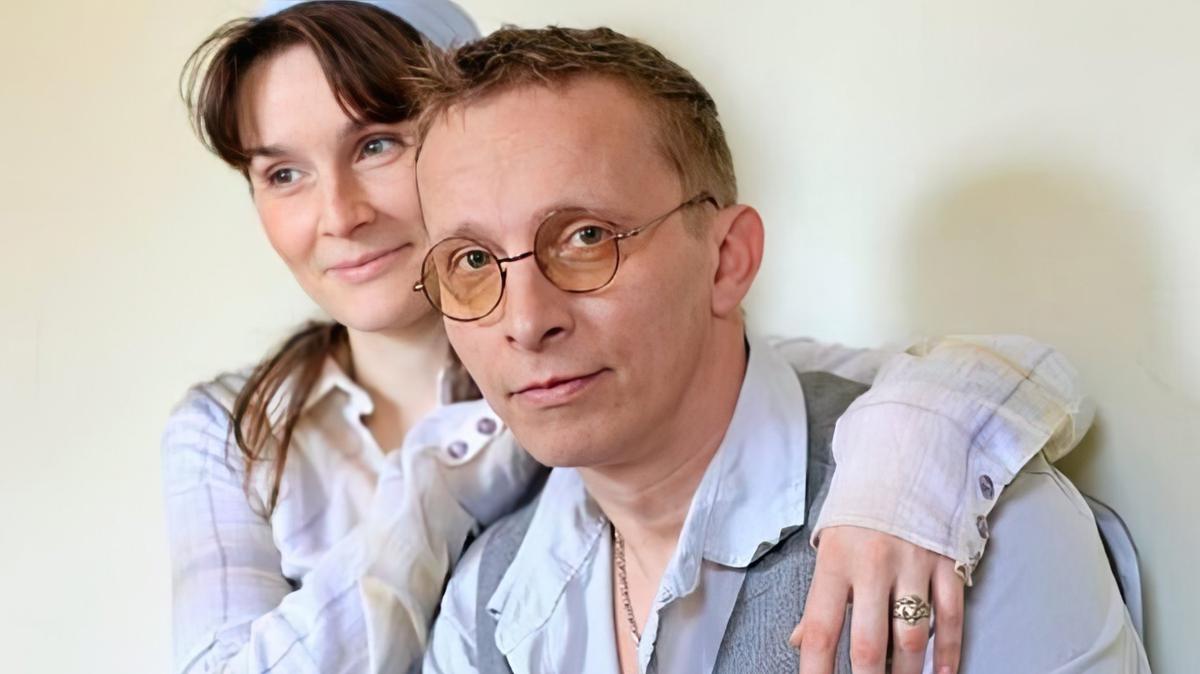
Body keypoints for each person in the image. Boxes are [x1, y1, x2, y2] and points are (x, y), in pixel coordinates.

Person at [165, 3, 1093, 673]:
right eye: (280, 172)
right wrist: (438, 494)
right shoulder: (239, 434)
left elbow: (933, 379)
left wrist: (913, 457)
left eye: (584, 239)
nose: (338, 214)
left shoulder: (933, 501)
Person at [414, 26, 1151, 673]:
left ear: (727, 260)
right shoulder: (481, 603)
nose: (525, 320)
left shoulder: (980, 533)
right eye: (471, 260)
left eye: (586, 237)